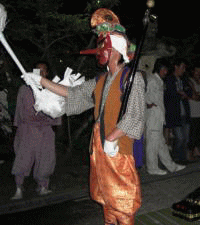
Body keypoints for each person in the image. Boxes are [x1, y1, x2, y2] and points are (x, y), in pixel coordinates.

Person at [22, 9, 144, 225]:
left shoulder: (132, 78)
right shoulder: (102, 80)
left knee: (122, 200)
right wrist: (41, 82)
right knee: (106, 196)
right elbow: (72, 93)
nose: (99, 51)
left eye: (102, 46)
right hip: (100, 145)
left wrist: (113, 138)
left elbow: (134, 114)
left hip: (118, 146)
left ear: (116, 48)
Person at [11, 61, 61, 200]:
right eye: (38, 69)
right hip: (27, 129)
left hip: (45, 130)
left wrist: (55, 125)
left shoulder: (51, 89)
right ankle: (19, 188)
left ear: (47, 73)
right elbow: (19, 111)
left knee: (46, 159)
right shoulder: (24, 89)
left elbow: (57, 111)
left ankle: (43, 186)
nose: (41, 72)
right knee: (23, 158)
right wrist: (18, 127)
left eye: (44, 70)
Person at [145, 58, 185, 175]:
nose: (166, 71)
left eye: (166, 69)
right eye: (164, 69)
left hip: (158, 117)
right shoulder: (152, 80)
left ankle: (171, 166)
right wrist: (148, 103)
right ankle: (152, 167)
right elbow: (144, 94)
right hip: (153, 116)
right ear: (159, 68)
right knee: (152, 143)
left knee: (161, 143)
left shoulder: (159, 81)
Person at [164, 58, 191, 162]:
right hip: (175, 113)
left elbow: (189, 92)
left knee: (186, 138)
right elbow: (169, 95)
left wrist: (184, 94)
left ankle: (182, 158)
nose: (184, 70)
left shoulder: (184, 80)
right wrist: (180, 94)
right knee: (179, 137)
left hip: (185, 112)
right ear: (176, 67)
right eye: (182, 67)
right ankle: (175, 156)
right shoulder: (169, 79)